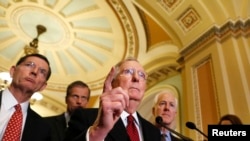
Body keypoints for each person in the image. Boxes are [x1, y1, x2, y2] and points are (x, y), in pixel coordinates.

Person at [64, 57, 161, 141]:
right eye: (128, 72)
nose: (136, 77)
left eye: (141, 75)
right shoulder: (86, 117)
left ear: (145, 86)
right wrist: (98, 131)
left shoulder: (153, 131)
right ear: (112, 83)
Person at [0, 53, 52, 141]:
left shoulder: (43, 128)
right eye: (29, 65)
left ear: (43, 86)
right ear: (13, 71)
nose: (34, 72)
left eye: (42, 72)